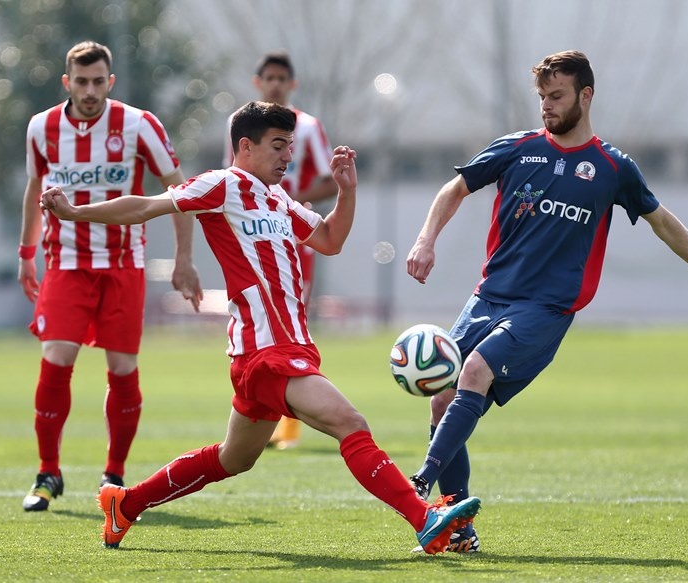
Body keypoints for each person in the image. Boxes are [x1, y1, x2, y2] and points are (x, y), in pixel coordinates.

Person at [39, 101, 481, 554]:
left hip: (289, 347)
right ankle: (424, 518)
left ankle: (125, 504)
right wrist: (76, 213)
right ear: (245, 146)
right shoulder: (223, 184)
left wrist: (347, 192)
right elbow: (148, 206)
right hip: (264, 351)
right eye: (278, 145)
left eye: (290, 144)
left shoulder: (278, 198)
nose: (288, 154)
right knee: (349, 422)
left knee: (234, 458)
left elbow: (329, 240)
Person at [404, 50, 688, 553]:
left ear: (586, 96)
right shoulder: (517, 149)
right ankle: (459, 530)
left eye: (556, 96)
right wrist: (425, 240)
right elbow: (455, 188)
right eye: (541, 97)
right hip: (488, 297)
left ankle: (421, 481)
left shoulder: (612, 167)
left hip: (546, 310)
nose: (546, 107)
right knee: (441, 396)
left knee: (473, 370)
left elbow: (662, 221)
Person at [18, 41, 202, 512]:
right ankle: (47, 471)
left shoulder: (138, 124)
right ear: (67, 83)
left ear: (110, 82)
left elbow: (179, 189)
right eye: (81, 82)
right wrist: (26, 254)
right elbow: (35, 187)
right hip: (67, 263)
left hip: (123, 266)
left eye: (98, 81)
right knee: (55, 359)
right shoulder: (42, 127)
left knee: (122, 369)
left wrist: (184, 259)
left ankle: (114, 474)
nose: (90, 90)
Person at [223, 50, 337, 450]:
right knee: (256, 315)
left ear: (292, 85)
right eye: (268, 78)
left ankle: (288, 426)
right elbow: (232, 180)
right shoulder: (244, 125)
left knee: (292, 313)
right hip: (253, 233)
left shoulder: (307, 128)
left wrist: (284, 201)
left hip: (292, 232)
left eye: (281, 79)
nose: (275, 84)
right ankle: (267, 413)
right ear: (259, 83)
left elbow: (327, 181)